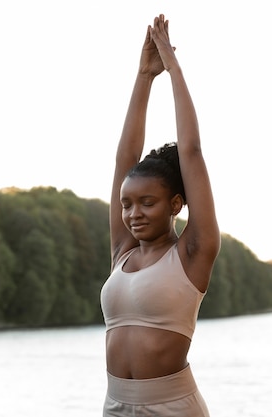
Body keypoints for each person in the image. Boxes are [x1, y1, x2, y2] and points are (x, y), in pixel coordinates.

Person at [100, 14, 220, 416]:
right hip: (115, 404)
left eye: (146, 203)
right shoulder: (123, 253)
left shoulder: (193, 252)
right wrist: (143, 76)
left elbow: (192, 152)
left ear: (175, 204)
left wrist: (172, 69)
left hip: (171, 407)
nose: (133, 214)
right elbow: (124, 159)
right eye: (126, 204)